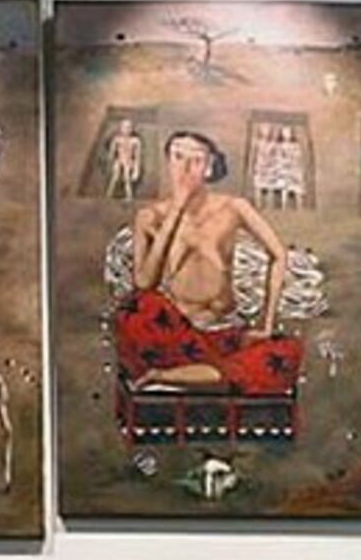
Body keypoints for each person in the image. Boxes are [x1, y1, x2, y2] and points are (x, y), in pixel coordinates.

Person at [116, 130, 301, 395]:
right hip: (178, 334)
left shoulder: (234, 207)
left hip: (226, 331)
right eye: (178, 157)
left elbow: (279, 255)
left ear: (210, 167)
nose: (185, 168)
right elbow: (145, 283)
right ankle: (208, 375)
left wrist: (266, 323)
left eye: (196, 160)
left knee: (286, 352)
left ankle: (168, 376)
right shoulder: (150, 215)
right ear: (168, 162)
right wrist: (177, 209)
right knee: (134, 311)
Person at [105, 118, 143, 200]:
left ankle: (129, 196)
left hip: (129, 161)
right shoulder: (117, 140)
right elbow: (111, 152)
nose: (126, 130)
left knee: (127, 178)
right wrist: (110, 159)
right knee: (115, 177)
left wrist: (136, 168)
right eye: (124, 127)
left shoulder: (135, 141)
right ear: (120, 128)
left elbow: (137, 156)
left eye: (129, 127)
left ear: (132, 128)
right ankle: (109, 195)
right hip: (119, 160)